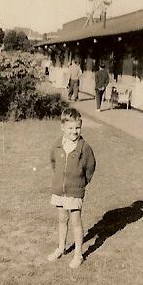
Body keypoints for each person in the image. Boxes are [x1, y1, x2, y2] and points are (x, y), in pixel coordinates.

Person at [48, 108, 96, 268]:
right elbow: (54, 163)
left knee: (75, 222)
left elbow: (90, 168)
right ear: (62, 127)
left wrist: (80, 183)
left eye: (77, 127)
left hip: (75, 191)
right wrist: (60, 181)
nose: (74, 131)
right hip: (59, 191)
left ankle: (78, 254)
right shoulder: (57, 145)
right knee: (62, 219)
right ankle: (61, 248)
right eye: (70, 128)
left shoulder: (84, 147)